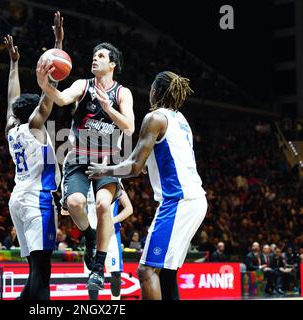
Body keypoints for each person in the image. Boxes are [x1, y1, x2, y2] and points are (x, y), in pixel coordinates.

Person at [86, 71, 207, 300]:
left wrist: (104, 170)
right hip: (194, 199)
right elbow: (155, 159)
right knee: (166, 274)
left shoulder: (154, 118)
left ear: (154, 92)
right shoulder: (180, 120)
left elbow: (133, 166)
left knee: (146, 270)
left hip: (179, 200)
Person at [37, 36, 135, 291]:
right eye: (94, 55)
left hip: (106, 161)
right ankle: (91, 237)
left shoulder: (122, 93)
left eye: (101, 56)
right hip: (78, 158)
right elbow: (60, 99)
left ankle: (98, 268)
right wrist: (44, 84)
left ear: (112, 64)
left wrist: (108, 108)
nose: (95, 58)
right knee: (74, 203)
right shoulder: (83, 85)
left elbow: (130, 126)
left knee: (103, 205)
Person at [5, 11, 63, 300]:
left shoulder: (11, 128)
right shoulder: (34, 125)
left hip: (18, 198)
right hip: (37, 199)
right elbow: (48, 96)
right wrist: (57, 49)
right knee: (42, 271)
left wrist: (14, 65)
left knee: (35, 269)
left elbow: (11, 100)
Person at [63, 183, 133, 300]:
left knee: (115, 273)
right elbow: (71, 208)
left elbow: (129, 209)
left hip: (111, 236)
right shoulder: (82, 183)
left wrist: (113, 221)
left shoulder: (113, 182)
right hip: (92, 236)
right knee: (93, 275)